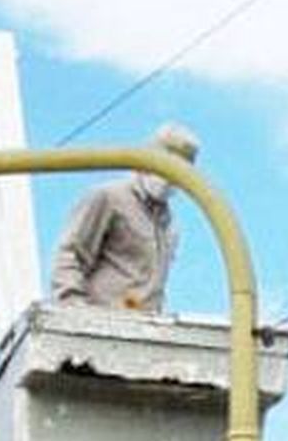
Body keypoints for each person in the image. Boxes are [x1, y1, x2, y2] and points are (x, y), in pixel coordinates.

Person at [49, 121, 200, 314]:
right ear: (148, 160)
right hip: (100, 324)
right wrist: (76, 310)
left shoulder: (169, 225)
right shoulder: (108, 197)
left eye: (179, 173)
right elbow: (70, 255)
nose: (170, 179)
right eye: (166, 167)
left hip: (142, 332)